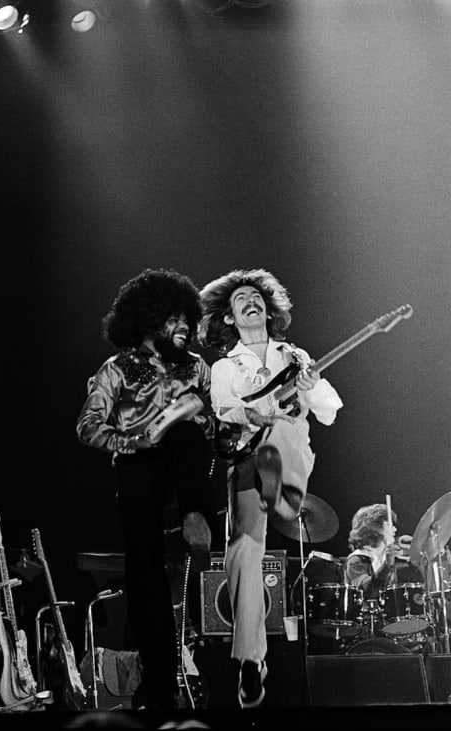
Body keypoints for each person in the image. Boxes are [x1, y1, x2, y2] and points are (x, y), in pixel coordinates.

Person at [198, 268, 343, 708]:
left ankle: (281, 491)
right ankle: (249, 660)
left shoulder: (295, 356)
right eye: (241, 298)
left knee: (280, 439)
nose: (250, 301)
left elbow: (331, 411)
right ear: (229, 317)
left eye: (257, 296)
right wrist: (251, 414)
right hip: (247, 459)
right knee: (244, 548)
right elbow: (224, 408)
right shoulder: (226, 367)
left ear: (269, 309)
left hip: (289, 452)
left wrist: (312, 386)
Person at [76, 268, 217, 712]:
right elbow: (87, 425)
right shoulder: (116, 368)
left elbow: (216, 425)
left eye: (187, 320)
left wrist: (204, 419)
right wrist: (133, 441)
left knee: (190, 432)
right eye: (174, 319)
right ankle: (160, 685)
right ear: (150, 320)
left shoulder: (197, 367)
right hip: (138, 467)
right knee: (145, 570)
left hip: (187, 468)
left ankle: (197, 517)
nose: (185, 328)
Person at [344, 504, 401, 599]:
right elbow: (365, 590)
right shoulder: (356, 559)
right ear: (374, 528)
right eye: (388, 524)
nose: (394, 529)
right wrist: (386, 566)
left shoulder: (384, 557)